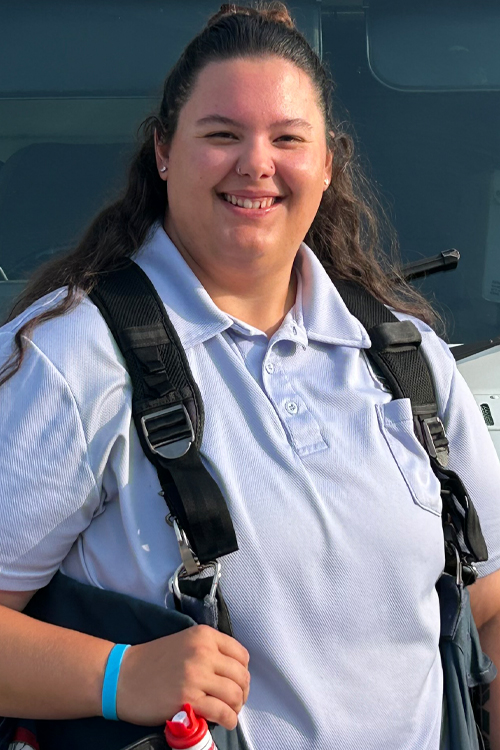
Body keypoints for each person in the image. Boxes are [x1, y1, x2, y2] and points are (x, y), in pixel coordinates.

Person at [0, 3, 499, 749]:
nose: (256, 164)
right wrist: (119, 675)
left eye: (287, 138)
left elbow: (485, 604)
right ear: (164, 150)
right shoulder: (73, 358)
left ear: (327, 163)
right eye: (222, 134)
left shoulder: (406, 357)